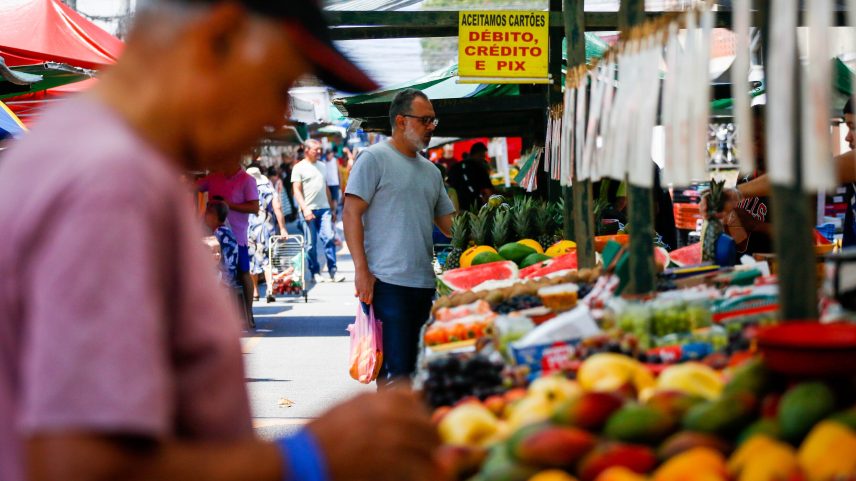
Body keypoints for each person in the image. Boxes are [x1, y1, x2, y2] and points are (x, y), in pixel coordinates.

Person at [0, 2, 442, 481]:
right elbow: (81, 467)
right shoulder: (112, 183)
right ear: (219, 38)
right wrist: (310, 457)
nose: (277, 118)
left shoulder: (81, 153)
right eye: (278, 86)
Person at [344, 88, 455, 387]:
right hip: (387, 284)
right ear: (402, 120)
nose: (432, 126)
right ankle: (389, 433)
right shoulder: (373, 158)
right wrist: (361, 271)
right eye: (425, 120)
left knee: (417, 374)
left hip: (423, 284)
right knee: (396, 376)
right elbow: (350, 213)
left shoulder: (431, 172)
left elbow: (450, 226)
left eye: (434, 120)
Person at [197, 159, 259, 322]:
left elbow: (254, 207)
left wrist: (229, 205)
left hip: (237, 235)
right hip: (211, 236)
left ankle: (249, 313)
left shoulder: (248, 180)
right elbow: (193, 186)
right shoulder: (213, 177)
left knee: (243, 272)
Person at [292, 139, 343, 283]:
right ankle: (315, 271)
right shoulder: (299, 167)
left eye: (320, 149)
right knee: (310, 244)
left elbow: (325, 187)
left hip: (324, 209)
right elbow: (296, 190)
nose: (319, 152)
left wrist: (332, 208)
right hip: (308, 211)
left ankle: (333, 270)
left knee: (329, 238)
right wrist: (305, 209)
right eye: (316, 149)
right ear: (307, 150)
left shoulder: (322, 166)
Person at [247, 166, 287, 303]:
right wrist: (282, 228)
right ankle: (270, 289)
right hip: (267, 229)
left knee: (252, 260)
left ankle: (255, 292)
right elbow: (277, 208)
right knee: (268, 260)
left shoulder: (245, 190)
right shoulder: (270, 190)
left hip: (251, 229)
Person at [446, 142, 494, 212]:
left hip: (457, 206)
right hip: (475, 206)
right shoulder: (479, 168)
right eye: (483, 156)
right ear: (479, 154)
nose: (483, 159)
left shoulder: (455, 166)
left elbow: (448, 185)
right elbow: (488, 192)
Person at [205, 198, 241, 290]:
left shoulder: (218, 234)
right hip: (231, 276)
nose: (204, 217)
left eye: (207, 214)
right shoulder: (226, 231)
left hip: (224, 279)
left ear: (213, 216)